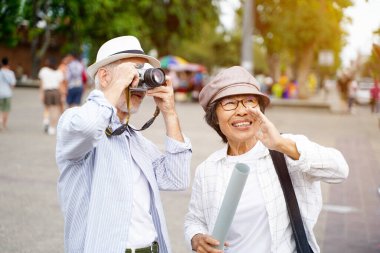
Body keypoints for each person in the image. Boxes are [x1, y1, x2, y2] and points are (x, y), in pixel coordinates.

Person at [184, 66, 349, 253]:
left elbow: (340, 170)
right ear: (214, 117)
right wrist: (196, 237)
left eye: (249, 101)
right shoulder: (207, 169)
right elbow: (195, 219)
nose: (242, 110)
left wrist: (281, 144)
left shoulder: (285, 149)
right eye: (229, 103)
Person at [56, 35, 192, 253]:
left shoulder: (136, 141)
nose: (138, 83)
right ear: (104, 75)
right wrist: (119, 83)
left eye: (141, 74)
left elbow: (177, 178)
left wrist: (170, 113)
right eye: (133, 72)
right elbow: (90, 127)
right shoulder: (73, 121)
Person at [38, 58, 64, 135]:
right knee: (55, 110)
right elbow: (60, 85)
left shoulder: (43, 70)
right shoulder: (59, 72)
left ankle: (46, 121)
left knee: (46, 108)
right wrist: (62, 95)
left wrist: (41, 93)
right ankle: (52, 128)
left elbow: (41, 84)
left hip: (47, 91)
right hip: (56, 92)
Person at [0, 57, 16, 131]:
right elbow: (13, 85)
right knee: (6, 110)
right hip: (7, 94)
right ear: (8, 63)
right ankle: (4, 124)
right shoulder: (11, 73)